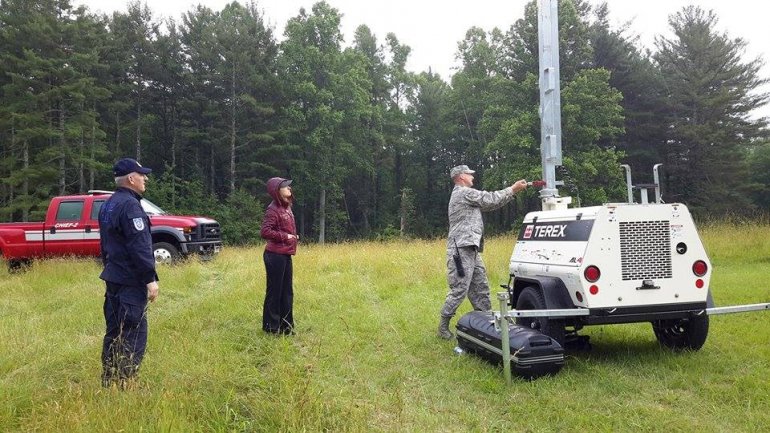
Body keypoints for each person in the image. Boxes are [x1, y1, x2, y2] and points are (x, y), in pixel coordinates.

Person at [438, 165, 528, 339]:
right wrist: (513, 189)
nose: (473, 176)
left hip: (471, 249)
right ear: (461, 177)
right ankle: (443, 327)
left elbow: (493, 204)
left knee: (481, 287)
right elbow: (490, 199)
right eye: (470, 174)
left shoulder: (465, 194)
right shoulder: (463, 193)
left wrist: (513, 192)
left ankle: (487, 325)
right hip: (460, 249)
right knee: (459, 289)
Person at [98, 157, 159, 387]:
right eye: (142, 175)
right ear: (131, 179)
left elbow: (104, 244)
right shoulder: (131, 206)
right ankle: (125, 383)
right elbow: (139, 246)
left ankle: (109, 380)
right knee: (132, 330)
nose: (145, 178)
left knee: (113, 331)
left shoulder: (108, 204)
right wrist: (149, 279)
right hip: (130, 280)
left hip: (112, 277)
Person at [260, 177, 298, 335]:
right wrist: (286, 237)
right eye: (286, 187)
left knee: (287, 292)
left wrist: (293, 237)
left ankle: (286, 327)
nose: (289, 189)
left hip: (285, 254)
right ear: (277, 190)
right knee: (275, 292)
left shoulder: (287, 206)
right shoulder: (273, 209)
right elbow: (265, 231)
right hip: (274, 255)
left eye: (289, 186)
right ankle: (271, 328)